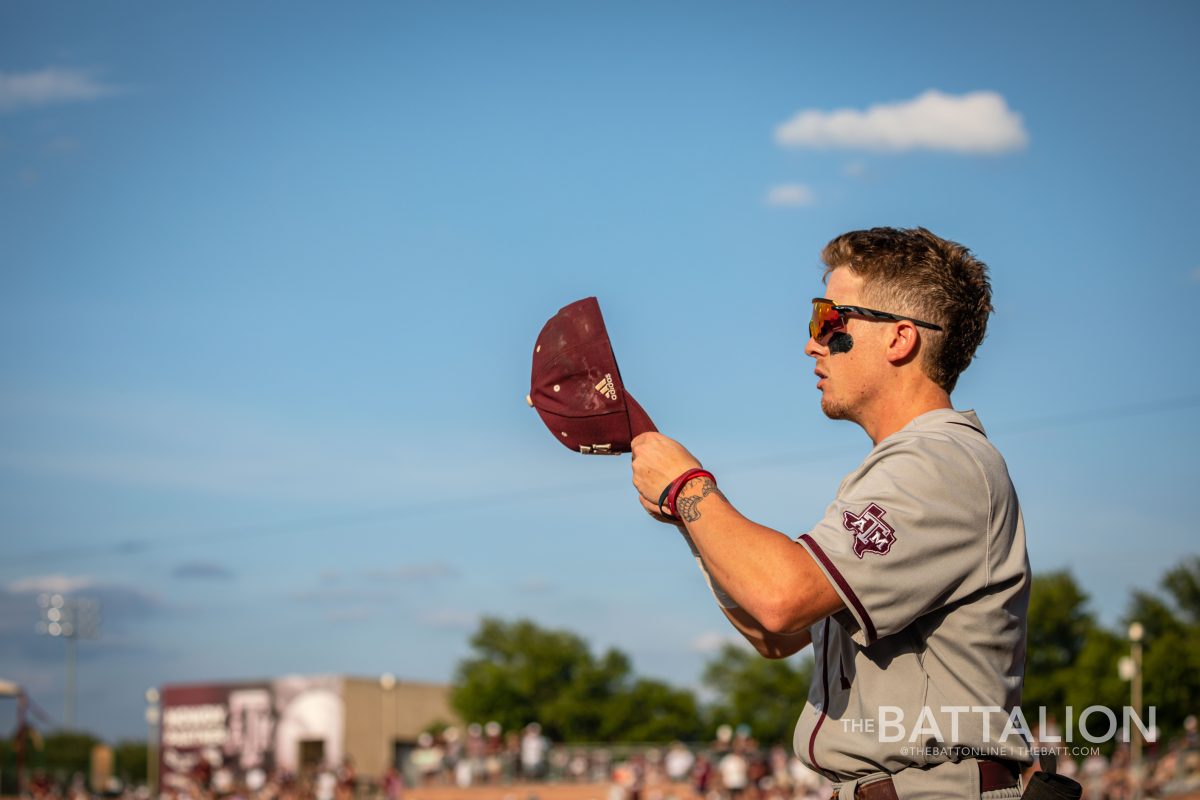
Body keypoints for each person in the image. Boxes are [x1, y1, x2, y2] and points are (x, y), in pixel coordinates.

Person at [631, 227, 1032, 800]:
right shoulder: (908, 466)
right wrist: (691, 518)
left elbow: (781, 597)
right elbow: (777, 634)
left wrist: (690, 489)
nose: (812, 343)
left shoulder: (940, 463)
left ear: (900, 339)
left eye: (830, 319)